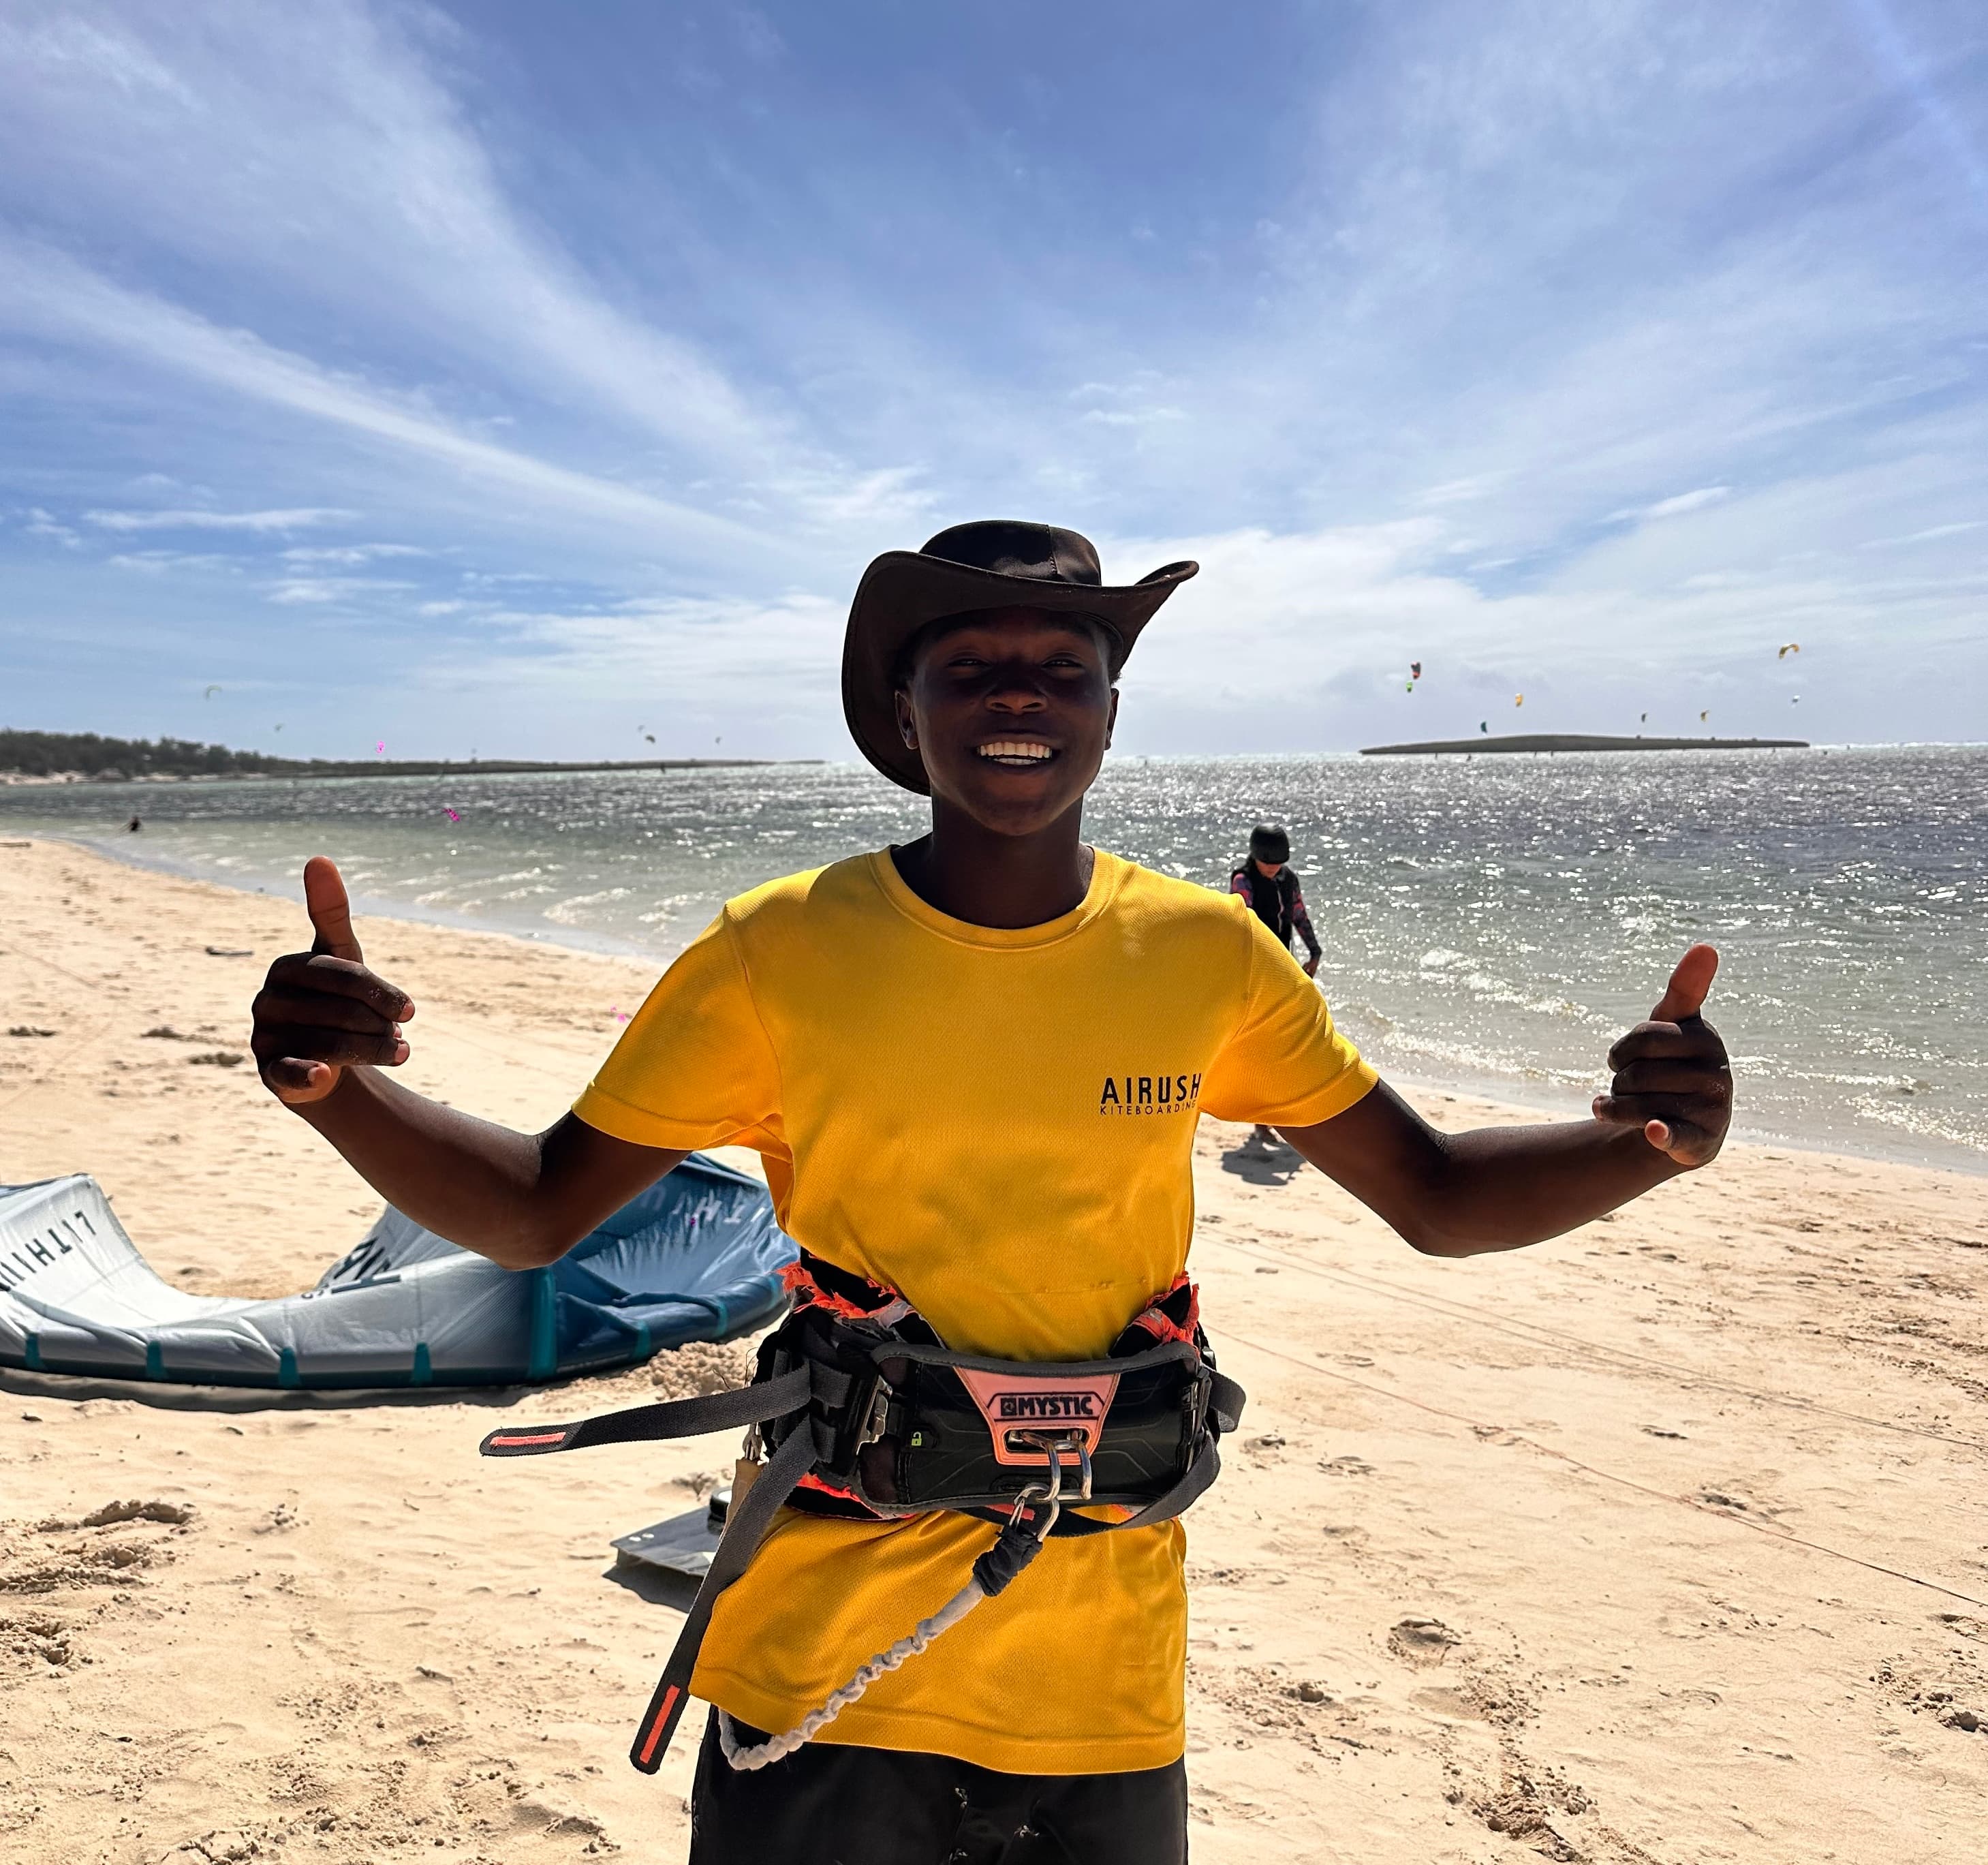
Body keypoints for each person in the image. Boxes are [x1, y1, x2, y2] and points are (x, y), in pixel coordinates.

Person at [249, 519, 1733, 1865]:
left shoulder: (1210, 955)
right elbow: (533, 1208)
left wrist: (1642, 1145)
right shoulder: (778, 951)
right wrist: (337, 1088)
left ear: (1104, 710)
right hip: (823, 1655)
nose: (1018, 698)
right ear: (907, 717)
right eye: (971, 670)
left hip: (1103, 1665)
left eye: (1059, 670)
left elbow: (1436, 1195)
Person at [1229, 825, 1320, 1155]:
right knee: (1264, 1043)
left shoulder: (1287, 879)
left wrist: (1315, 951)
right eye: (1268, 861)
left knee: (1291, 1037)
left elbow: (1298, 914)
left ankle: (1281, 1111)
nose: (1273, 867)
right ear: (1255, 856)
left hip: (1284, 967)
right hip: (1255, 971)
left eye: (1279, 861)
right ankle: (1263, 1118)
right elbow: (1244, 922)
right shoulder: (1243, 881)